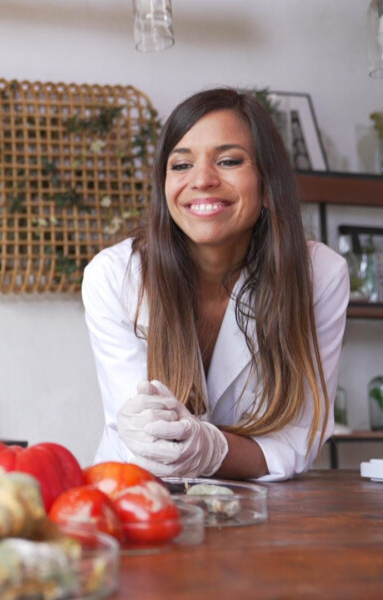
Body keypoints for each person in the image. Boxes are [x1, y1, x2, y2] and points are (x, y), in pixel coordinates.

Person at [82, 88, 349, 482]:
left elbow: (296, 442)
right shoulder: (114, 276)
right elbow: (146, 441)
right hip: (140, 495)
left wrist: (210, 449)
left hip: (262, 509)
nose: (202, 180)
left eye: (228, 161)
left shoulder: (319, 275)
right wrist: (193, 446)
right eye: (181, 165)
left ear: (267, 184)